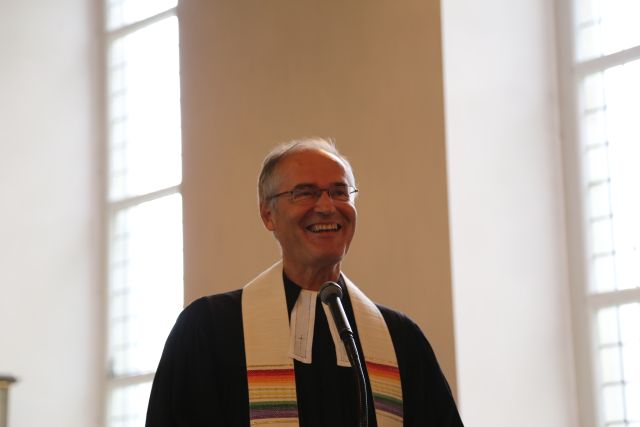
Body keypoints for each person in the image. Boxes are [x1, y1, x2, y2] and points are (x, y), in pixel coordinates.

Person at [146, 138, 463, 426]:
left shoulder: (400, 340)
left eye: (339, 192)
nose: (326, 206)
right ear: (268, 215)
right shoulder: (210, 330)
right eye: (305, 192)